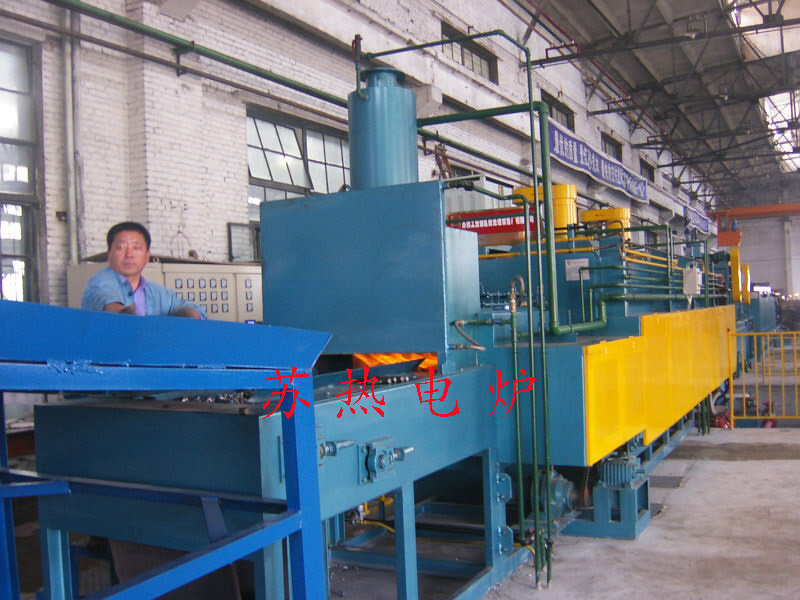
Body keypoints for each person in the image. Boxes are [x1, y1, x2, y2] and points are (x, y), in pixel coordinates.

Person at [81, 222, 205, 319]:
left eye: (136, 248)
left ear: (147, 256)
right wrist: (122, 313)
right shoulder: (100, 282)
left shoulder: (157, 293)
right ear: (109, 254)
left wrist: (189, 315)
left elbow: (194, 310)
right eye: (121, 247)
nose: (129, 254)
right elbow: (107, 302)